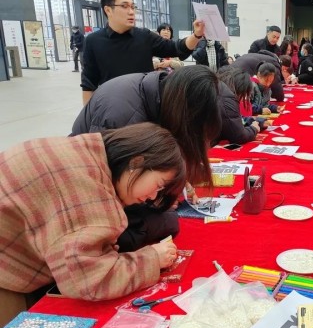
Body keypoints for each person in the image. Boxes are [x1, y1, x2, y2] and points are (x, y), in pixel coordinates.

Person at [0, 123, 185, 327]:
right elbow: (89, 281)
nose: (152, 197)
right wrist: (152, 259)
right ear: (137, 162)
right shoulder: (87, 193)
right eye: (158, 186)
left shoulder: (87, 153)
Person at [71, 65, 220, 245]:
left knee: (167, 217)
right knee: (167, 222)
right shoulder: (122, 115)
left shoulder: (161, 94)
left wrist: (172, 186)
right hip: (85, 203)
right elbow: (103, 192)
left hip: (111, 189)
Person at [80, 0, 205, 105]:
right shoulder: (93, 41)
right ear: (108, 10)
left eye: (133, 7)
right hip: (114, 109)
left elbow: (176, 48)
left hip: (146, 107)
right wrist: (87, 119)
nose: (131, 12)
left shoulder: (144, 36)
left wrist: (197, 35)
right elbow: (88, 84)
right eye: (124, 6)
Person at [214, 66, 260, 145]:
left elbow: (233, 119)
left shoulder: (220, 90)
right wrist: (254, 129)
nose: (243, 99)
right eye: (244, 94)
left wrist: (256, 122)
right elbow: (239, 136)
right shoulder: (228, 98)